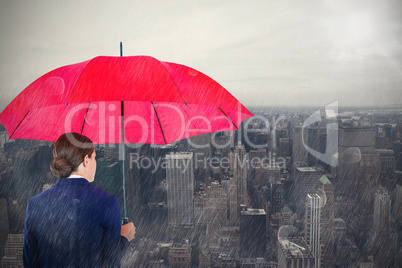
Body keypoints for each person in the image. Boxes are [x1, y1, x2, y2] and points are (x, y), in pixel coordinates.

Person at [23, 132, 136, 267]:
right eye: (94, 157)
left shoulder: (35, 204)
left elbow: (30, 264)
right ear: (85, 160)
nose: (96, 163)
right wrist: (124, 238)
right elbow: (111, 264)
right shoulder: (107, 203)